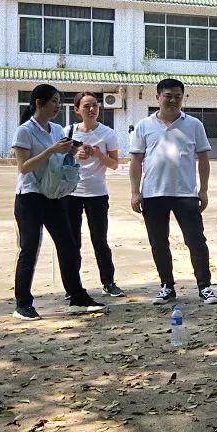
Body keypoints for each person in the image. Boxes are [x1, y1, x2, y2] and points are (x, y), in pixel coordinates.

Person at [11, 84, 107, 319]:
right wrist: (51, 150)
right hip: (30, 197)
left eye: (58, 101)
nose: (57, 106)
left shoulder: (55, 129)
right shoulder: (24, 131)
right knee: (30, 248)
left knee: (68, 245)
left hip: (54, 195)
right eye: (53, 101)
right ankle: (23, 303)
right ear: (39, 103)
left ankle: (77, 296)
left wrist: (76, 152)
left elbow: (63, 156)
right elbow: (24, 167)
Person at [129, 79, 217, 306]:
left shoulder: (194, 124)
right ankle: (167, 286)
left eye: (178, 96)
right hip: (153, 193)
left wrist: (204, 190)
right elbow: (136, 160)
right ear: (158, 97)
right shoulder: (144, 126)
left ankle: (204, 286)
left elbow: (203, 159)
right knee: (158, 242)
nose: (173, 100)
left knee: (196, 240)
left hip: (186, 193)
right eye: (168, 95)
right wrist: (135, 192)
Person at [63, 93, 122, 298]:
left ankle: (108, 282)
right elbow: (57, 158)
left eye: (95, 105)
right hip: (71, 193)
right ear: (77, 109)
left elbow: (115, 164)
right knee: (72, 242)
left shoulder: (108, 133)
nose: (92, 109)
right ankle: (73, 287)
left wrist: (98, 155)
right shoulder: (68, 131)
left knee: (100, 240)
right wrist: (74, 153)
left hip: (97, 193)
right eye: (87, 106)